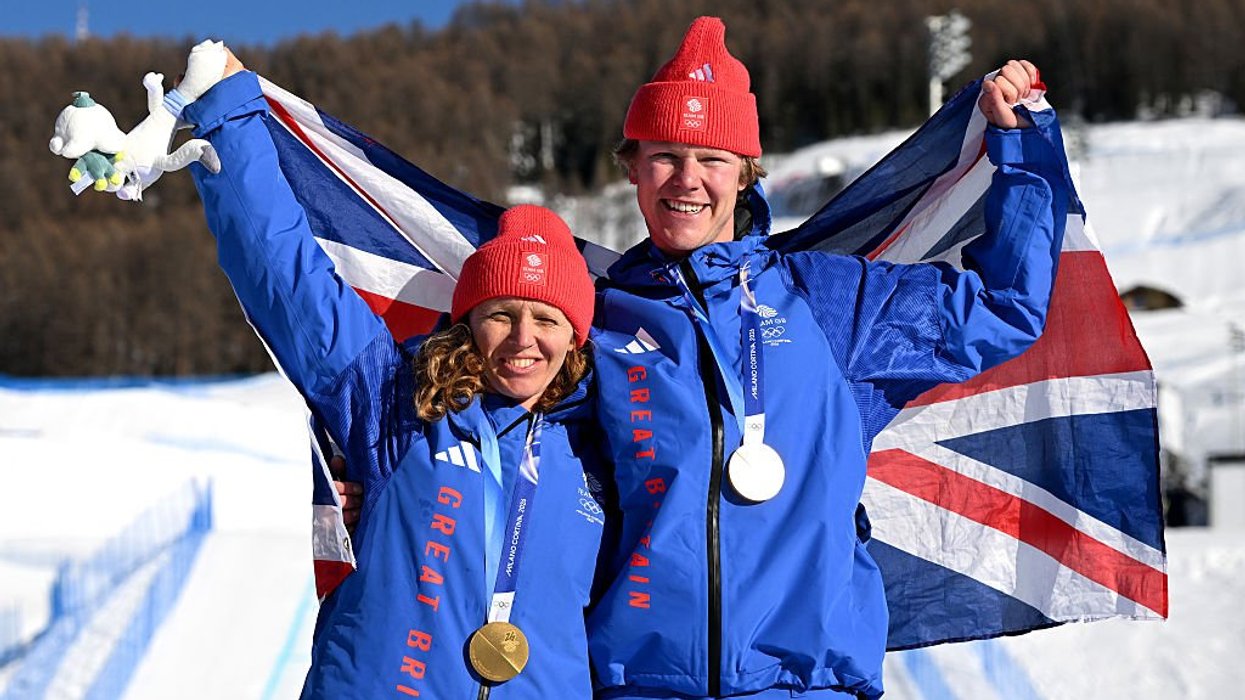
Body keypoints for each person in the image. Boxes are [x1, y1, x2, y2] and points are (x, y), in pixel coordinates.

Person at [581, 16, 1066, 700]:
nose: (686, 179)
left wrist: (1017, 149)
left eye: (712, 158)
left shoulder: (830, 301)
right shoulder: (590, 321)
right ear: (630, 165)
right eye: (663, 153)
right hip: (638, 685)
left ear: (747, 172)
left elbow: (1003, 308)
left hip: (805, 684)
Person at [181, 46, 610, 698]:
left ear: (575, 336)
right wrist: (231, 117)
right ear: (468, 319)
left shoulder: (603, 446)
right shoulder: (392, 401)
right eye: (501, 314)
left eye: (547, 320)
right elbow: (284, 277)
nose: (524, 340)